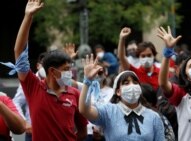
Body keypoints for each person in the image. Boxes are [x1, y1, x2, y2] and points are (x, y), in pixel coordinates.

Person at [1, 0, 88, 140]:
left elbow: (83, 132)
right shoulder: (34, 87)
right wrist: (28, 17)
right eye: (66, 69)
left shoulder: (76, 94)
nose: (69, 73)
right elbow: (19, 52)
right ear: (52, 71)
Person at [79, 54, 165, 141]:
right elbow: (84, 110)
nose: (132, 86)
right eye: (126, 83)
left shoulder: (154, 117)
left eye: (135, 82)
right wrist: (87, 81)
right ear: (118, 92)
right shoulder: (108, 111)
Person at [12, 52, 46, 141]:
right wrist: (24, 122)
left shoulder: (57, 82)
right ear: (38, 66)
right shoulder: (30, 81)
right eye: (44, 64)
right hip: (33, 131)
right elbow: (16, 102)